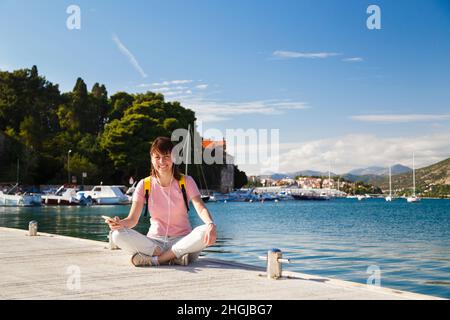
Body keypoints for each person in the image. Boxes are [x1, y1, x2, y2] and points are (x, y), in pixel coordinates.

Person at [108, 136, 217, 267]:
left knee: (205, 230)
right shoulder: (144, 184)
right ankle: (172, 258)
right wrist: (119, 223)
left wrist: (210, 224)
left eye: (166, 156)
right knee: (116, 235)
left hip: (182, 241)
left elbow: (200, 207)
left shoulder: (186, 181)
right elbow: (132, 220)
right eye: (157, 157)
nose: (162, 161)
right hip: (154, 244)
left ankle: (156, 260)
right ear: (151, 159)